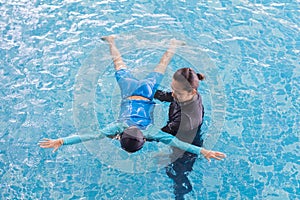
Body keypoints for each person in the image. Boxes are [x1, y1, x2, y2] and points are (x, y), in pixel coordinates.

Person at [39, 36, 225, 163]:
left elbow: (178, 143)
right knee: (119, 65)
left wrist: (203, 151)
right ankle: (112, 41)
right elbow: (89, 135)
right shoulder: (117, 128)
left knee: (161, 65)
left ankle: (173, 45)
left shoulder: (150, 132)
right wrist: (61, 141)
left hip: (148, 90)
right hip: (129, 91)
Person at [154, 67, 217, 199]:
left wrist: (128, 133)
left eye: (177, 92)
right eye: (173, 89)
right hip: (182, 135)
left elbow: (157, 135)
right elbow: (169, 96)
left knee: (178, 176)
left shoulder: (186, 118)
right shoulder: (185, 95)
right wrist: (146, 92)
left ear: (192, 92)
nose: (173, 94)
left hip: (186, 149)